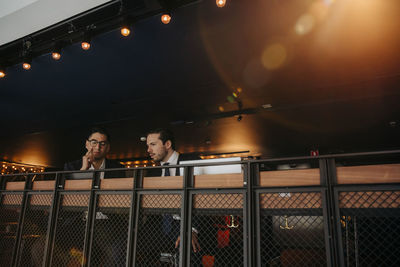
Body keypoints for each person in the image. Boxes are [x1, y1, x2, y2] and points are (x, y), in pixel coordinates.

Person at [137, 128, 201, 266]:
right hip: (159, 224)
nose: (148, 150)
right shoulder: (153, 172)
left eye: (153, 145)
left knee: (187, 248)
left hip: (186, 222)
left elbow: (204, 198)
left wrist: (191, 229)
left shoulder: (192, 161)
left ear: (167, 144)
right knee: (126, 245)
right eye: (147, 145)